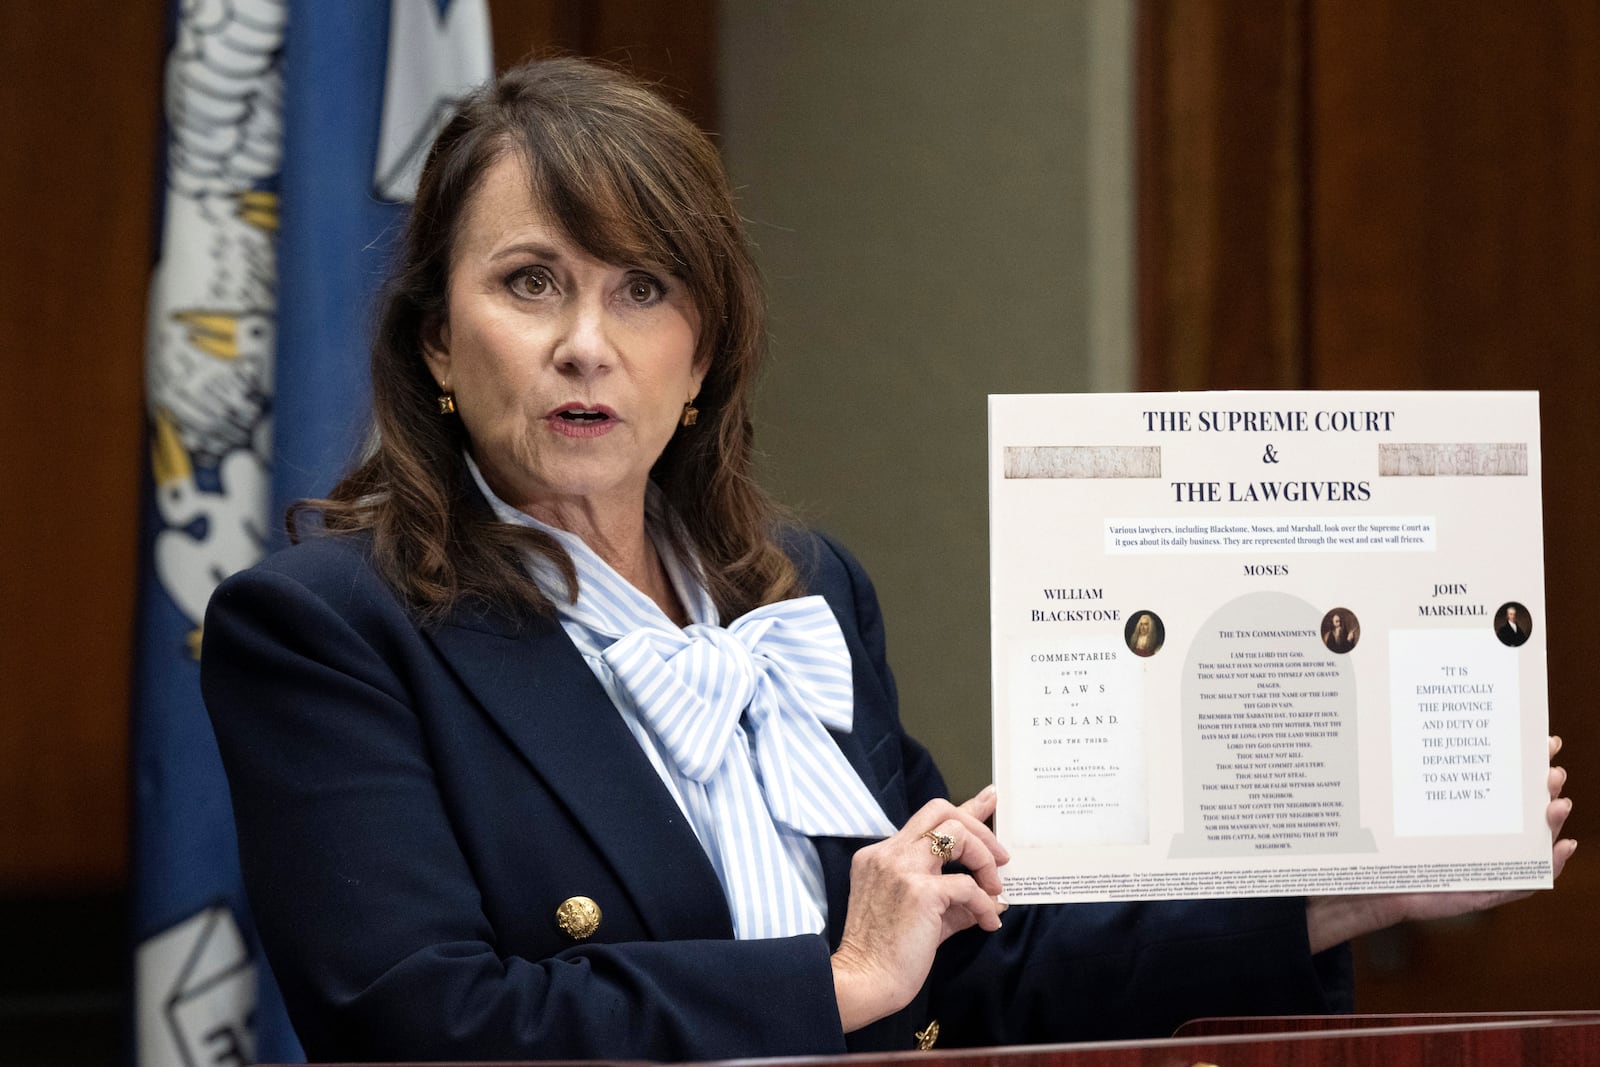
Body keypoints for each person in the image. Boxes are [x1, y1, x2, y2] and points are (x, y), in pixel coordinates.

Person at [200, 58, 1575, 1063]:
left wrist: (1355, 883)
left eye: (644, 288)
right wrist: (840, 973)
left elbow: (975, 982)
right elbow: (423, 1029)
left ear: (704, 353)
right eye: (529, 283)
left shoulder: (801, 590)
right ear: (440, 343)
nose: (585, 345)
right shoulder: (327, 625)